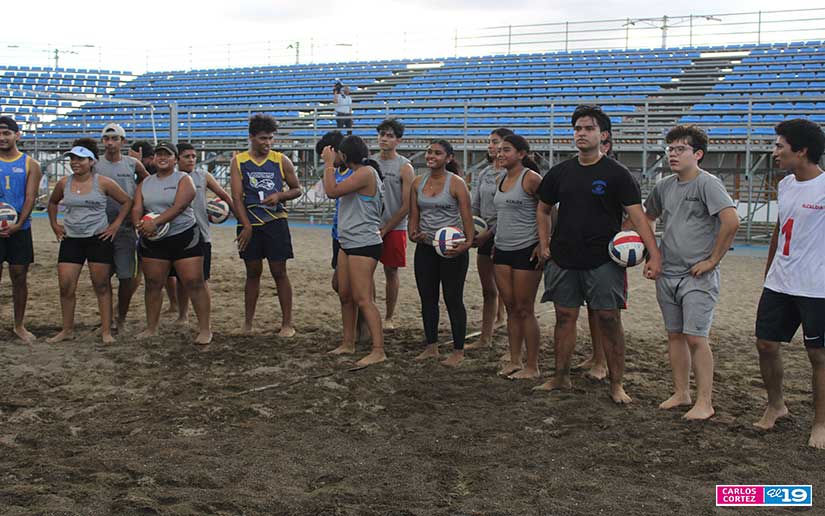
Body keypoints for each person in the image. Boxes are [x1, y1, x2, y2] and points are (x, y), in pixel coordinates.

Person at [534, 104, 662, 404]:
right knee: (564, 317)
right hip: (564, 258)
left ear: (603, 135)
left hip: (604, 259)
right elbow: (542, 209)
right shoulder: (560, 172)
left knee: (608, 318)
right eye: (577, 128)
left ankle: (617, 384)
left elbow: (639, 216)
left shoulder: (617, 174)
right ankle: (560, 377)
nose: (581, 133)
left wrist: (653, 254)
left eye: (588, 128)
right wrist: (544, 243)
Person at [644, 125, 739, 420]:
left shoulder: (707, 184)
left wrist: (712, 260)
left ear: (697, 154)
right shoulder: (663, 186)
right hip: (667, 273)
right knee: (674, 336)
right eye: (670, 148)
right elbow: (647, 219)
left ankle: (705, 402)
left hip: (697, 275)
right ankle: (681, 392)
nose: (673, 153)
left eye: (680, 149)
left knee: (696, 337)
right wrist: (652, 255)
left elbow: (731, 221)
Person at [753, 118, 825, 449]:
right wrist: (770, 271)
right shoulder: (786, 184)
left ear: (802, 150)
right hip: (780, 282)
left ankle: (820, 423)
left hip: (816, 287)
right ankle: (776, 404)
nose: (774, 152)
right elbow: (780, 229)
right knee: (766, 344)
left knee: (818, 355)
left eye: (780, 146)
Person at [46, 139, 132, 344]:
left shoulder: (103, 182)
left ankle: (105, 331)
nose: (75, 162)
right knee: (66, 286)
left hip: (98, 238)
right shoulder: (63, 183)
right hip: (72, 239)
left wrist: (115, 225)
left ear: (92, 161)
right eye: (72, 158)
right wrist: (55, 225)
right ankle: (67, 329)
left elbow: (127, 201)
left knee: (101, 285)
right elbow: (52, 202)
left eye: (80, 159)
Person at [132, 142, 211, 344]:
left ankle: (204, 329)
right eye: (158, 154)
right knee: (153, 283)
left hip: (183, 236)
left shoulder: (184, 179)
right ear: (154, 158)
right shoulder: (145, 183)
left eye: (167, 154)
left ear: (175, 159)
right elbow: (136, 208)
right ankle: (151, 328)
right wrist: (139, 225)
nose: (162, 157)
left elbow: (179, 206)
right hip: (154, 239)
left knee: (194, 282)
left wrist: (155, 222)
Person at [231, 114, 302, 337]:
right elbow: (236, 196)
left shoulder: (281, 160)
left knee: (279, 271)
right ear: (251, 137)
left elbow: (297, 189)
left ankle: (287, 323)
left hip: (275, 222)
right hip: (249, 222)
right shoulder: (239, 161)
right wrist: (245, 225)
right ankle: (248, 323)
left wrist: (280, 195)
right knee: (252, 272)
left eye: (271, 138)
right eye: (263, 138)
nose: (268, 143)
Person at [322, 135, 387, 367]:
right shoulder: (355, 172)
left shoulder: (366, 172)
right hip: (347, 241)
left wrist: (328, 163)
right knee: (345, 295)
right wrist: (331, 165)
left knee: (363, 298)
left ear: (345, 155)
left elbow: (331, 191)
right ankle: (347, 342)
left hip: (364, 242)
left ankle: (378, 349)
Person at [408, 140, 474, 367]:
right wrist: (412, 233)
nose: (431, 156)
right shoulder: (417, 182)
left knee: (453, 298)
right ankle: (431, 347)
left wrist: (466, 244)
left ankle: (458, 351)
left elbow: (468, 221)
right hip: (426, 248)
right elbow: (413, 216)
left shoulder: (456, 184)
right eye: (429, 152)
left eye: (437, 153)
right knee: (427, 298)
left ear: (448, 158)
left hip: (452, 250)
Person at [494, 135, 549, 379]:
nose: (500, 153)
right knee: (511, 307)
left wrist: (543, 242)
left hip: (525, 249)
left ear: (521, 154)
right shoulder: (502, 178)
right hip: (502, 249)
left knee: (525, 308)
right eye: (499, 150)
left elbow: (549, 210)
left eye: (506, 150)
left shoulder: (531, 178)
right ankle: (515, 359)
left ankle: (532, 365)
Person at [570, 127, 615, 380]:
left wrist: (623, 242)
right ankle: (596, 356)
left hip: (607, 255)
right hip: (580, 251)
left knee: (606, 312)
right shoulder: (579, 173)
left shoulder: (614, 175)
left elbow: (632, 214)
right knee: (590, 308)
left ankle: (603, 362)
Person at [173, 143, 235, 325]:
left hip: (201, 234)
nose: (191, 159)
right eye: (187, 156)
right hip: (178, 233)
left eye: (193, 156)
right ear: (177, 159)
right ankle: (182, 314)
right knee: (180, 279)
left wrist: (237, 215)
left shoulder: (203, 176)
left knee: (202, 279)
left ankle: (204, 320)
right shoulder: (172, 178)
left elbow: (224, 195)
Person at [96, 123, 149, 330]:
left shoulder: (132, 164)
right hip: (100, 227)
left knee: (127, 277)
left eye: (115, 138)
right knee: (102, 277)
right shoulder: (95, 165)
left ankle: (121, 316)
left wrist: (139, 203)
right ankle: (107, 320)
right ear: (102, 141)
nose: (110, 143)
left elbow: (147, 180)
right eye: (107, 139)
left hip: (126, 228)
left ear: (122, 141)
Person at [466, 128, 511, 351]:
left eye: (495, 142)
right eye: (490, 142)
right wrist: (471, 229)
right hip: (484, 234)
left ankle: (512, 339)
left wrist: (488, 232)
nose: (491, 146)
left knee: (508, 290)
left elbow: (508, 210)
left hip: (504, 234)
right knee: (488, 289)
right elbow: (475, 204)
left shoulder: (511, 174)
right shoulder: (484, 173)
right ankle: (485, 337)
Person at [0, 115, 42, 343]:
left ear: (17, 135)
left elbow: (30, 197)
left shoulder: (30, 164)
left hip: (20, 229)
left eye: (6, 133)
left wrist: (18, 224)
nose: (2, 137)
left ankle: (19, 325)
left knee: (19, 276)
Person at [373, 119, 414, 330]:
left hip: (394, 227)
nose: (384, 138)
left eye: (389, 135)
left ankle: (389, 316)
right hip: (370, 226)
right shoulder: (369, 162)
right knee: (365, 271)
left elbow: (407, 204)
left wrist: (386, 228)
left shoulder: (404, 166)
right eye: (381, 134)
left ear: (398, 140)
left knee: (391, 271)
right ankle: (369, 314)